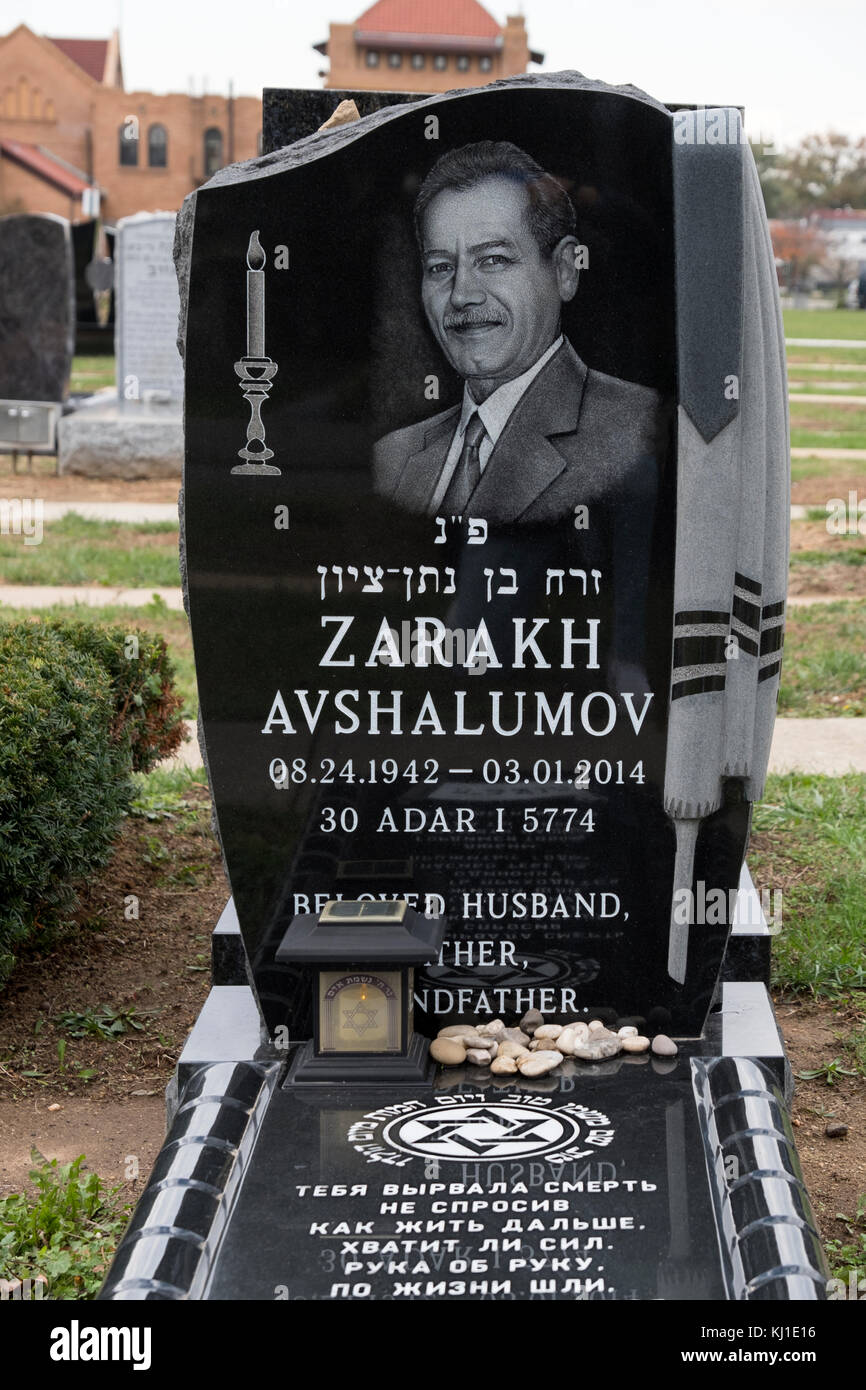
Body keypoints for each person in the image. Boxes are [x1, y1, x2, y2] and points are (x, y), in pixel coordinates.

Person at [373, 140, 666, 525]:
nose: (462, 295)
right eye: (441, 267)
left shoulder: (636, 432)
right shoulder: (395, 456)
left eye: (493, 259)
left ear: (564, 270)